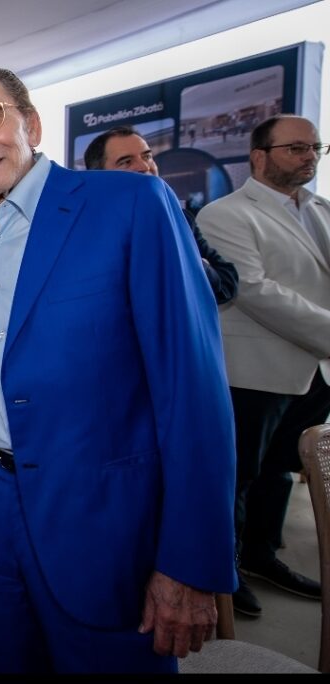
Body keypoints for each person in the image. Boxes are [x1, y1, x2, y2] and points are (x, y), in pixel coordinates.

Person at [0, 62, 236, 673]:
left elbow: (193, 392)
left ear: (31, 124)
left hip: (102, 514)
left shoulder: (132, 205)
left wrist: (191, 561)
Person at [196, 115, 330, 617]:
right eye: (296, 148)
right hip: (255, 371)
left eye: (315, 147)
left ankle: (261, 555)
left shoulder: (320, 209)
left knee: (281, 471)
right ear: (259, 156)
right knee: (239, 475)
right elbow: (254, 291)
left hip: (313, 369)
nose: (309, 156)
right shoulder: (226, 214)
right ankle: (225, 573)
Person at [83, 126, 238, 304]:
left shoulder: (179, 219)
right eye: (126, 161)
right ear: (98, 176)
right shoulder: (85, 228)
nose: (144, 166)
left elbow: (227, 285)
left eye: (147, 156)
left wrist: (187, 259)